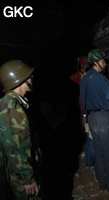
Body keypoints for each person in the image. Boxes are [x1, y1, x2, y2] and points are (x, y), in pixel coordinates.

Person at [80, 49, 109, 192]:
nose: (105, 63)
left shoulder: (85, 78)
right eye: (102, 61)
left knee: (99, 151)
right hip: (104, 118)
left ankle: (102, 182)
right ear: (96, 63)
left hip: (92, 118)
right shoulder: (99, 78)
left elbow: (83, 100)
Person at [0, 60, 42, 199]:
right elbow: (13, 149)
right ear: (21, 80)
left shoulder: (11, 102)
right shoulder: (13, 109)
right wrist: (27, 179)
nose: (32, 78)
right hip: (22, 178)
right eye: (29, 76)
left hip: (17, 173)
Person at [70, 56, 95, 173]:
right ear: (81, 64)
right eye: (85, 64)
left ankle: (86, 147)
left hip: (86, 105)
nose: (87, 65)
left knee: (86, 127)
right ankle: (83, 148)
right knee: (83, 126)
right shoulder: (75, 77)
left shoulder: (89, 75)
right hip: (80, 105)